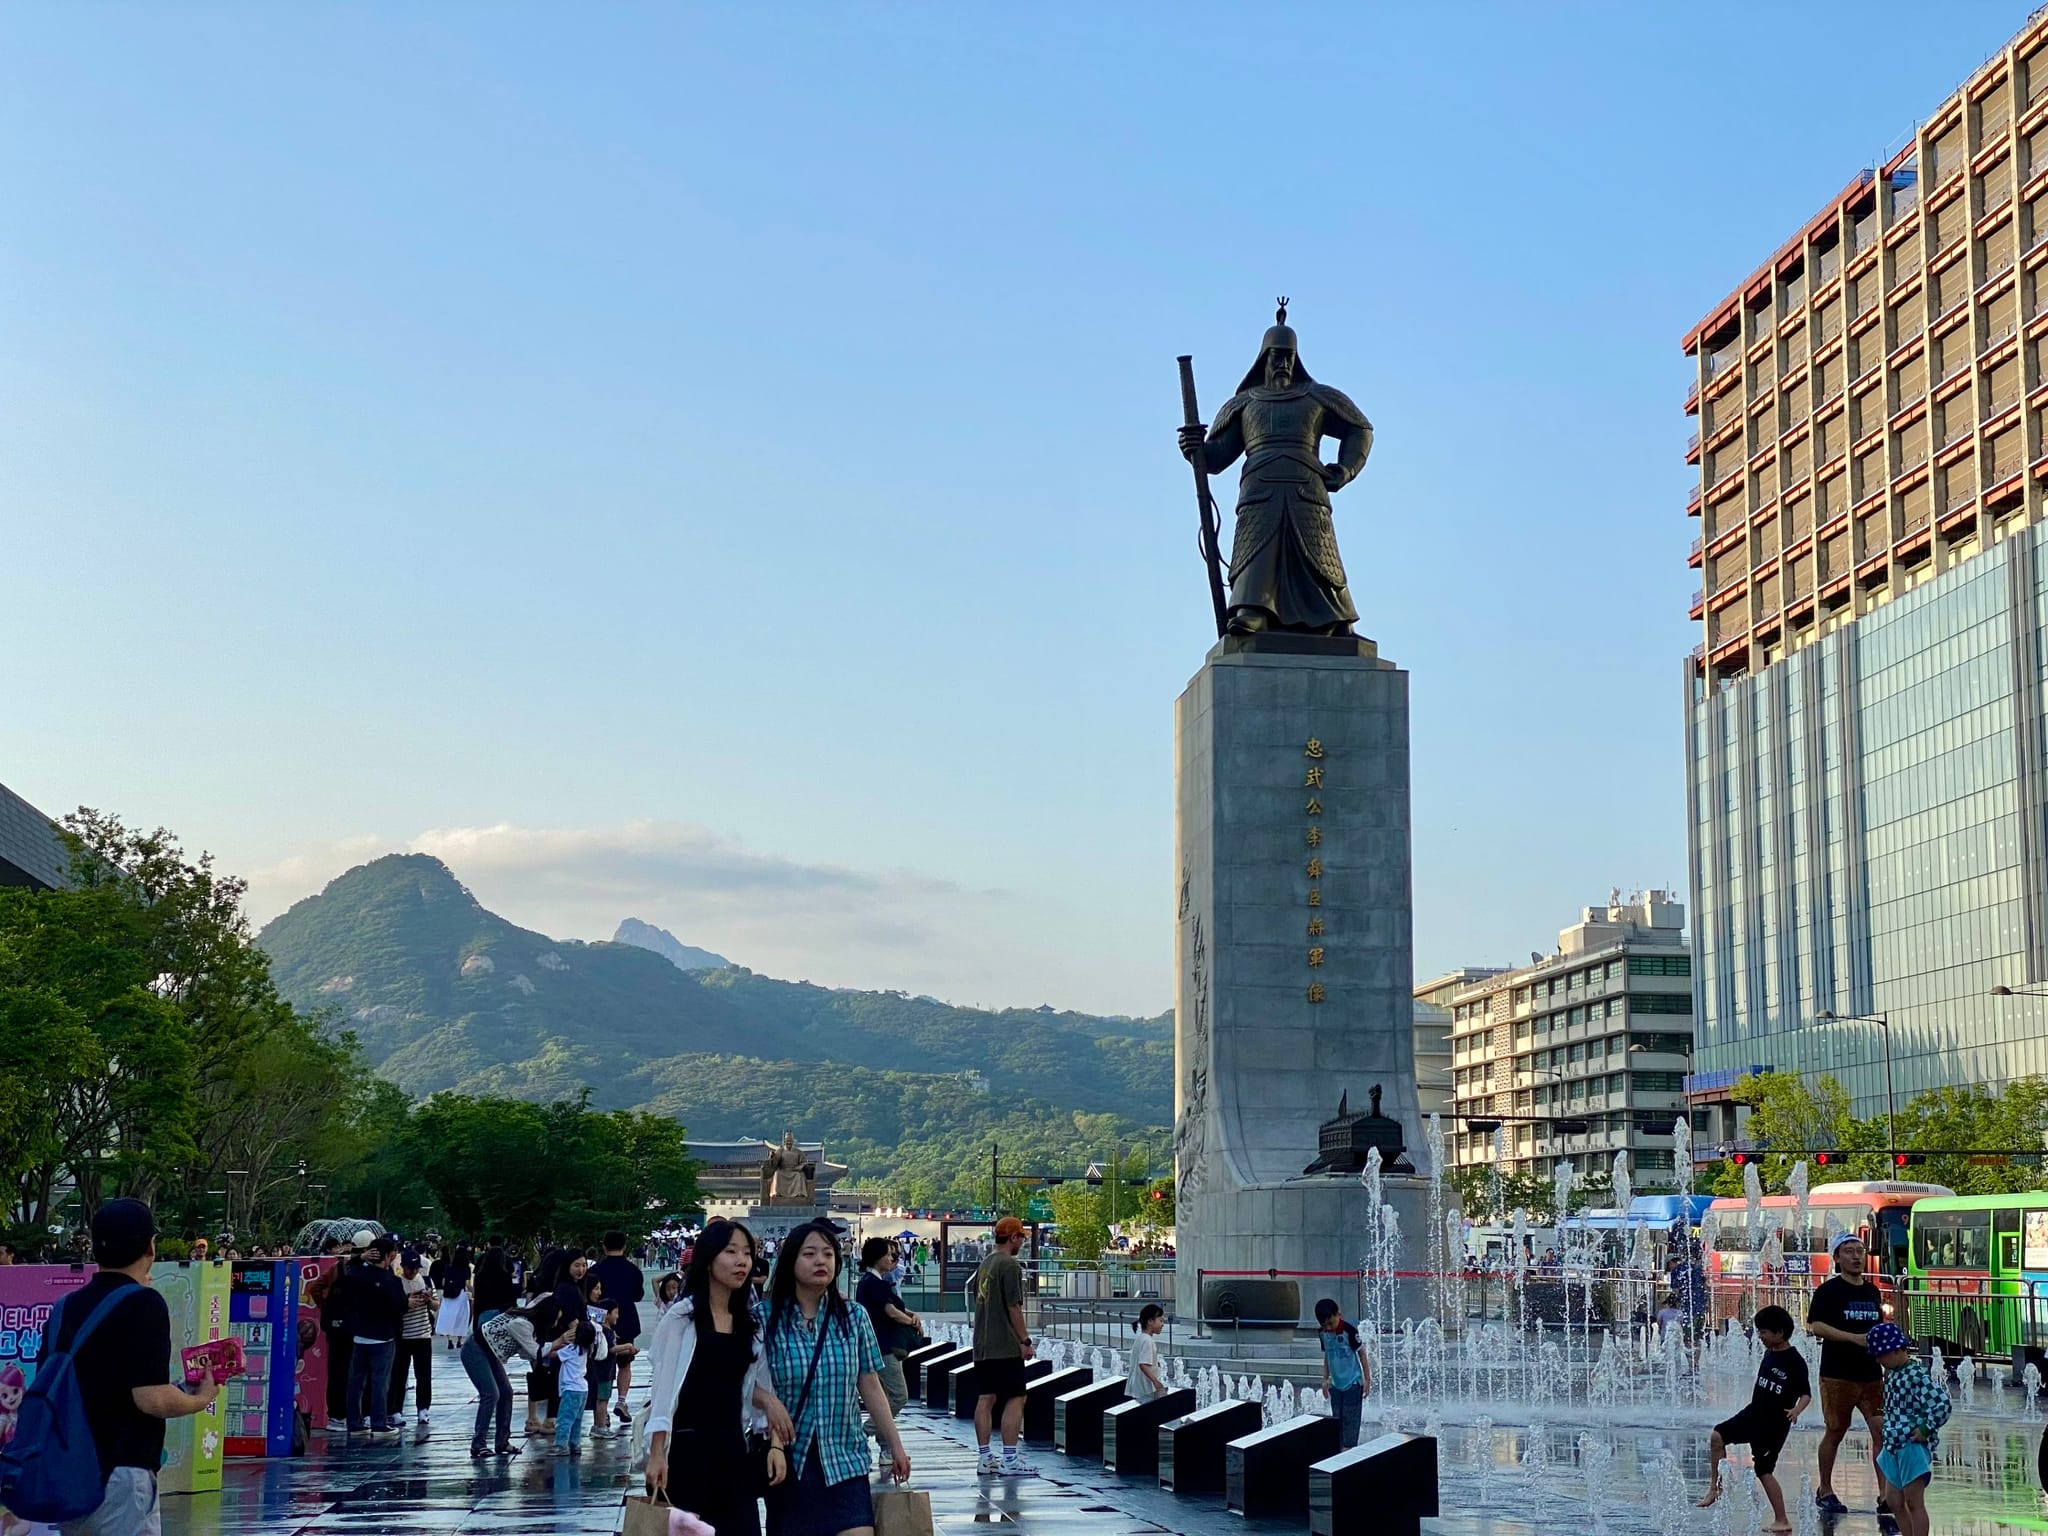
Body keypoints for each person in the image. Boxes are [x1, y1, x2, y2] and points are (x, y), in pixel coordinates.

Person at [22, 1200, 218, 1536]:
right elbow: (150, 1398)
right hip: (121, 1473)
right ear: (150, 1247)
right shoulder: (144, 1303)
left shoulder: (63, 1308)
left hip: (68, 1472)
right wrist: (200, 1399)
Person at [644, 1219, 790, 1536]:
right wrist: (656, 1454)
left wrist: (775, 1444)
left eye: (748, 1253)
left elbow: (760, 1385)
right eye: (731, 1251)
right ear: (709, 1259)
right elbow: (664, 1390)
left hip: (733, 1450)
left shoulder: (749, 1324)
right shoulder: (683, 1317)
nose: (742, 1261)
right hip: (686, 1450)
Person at [765, 1221, 908, 1536]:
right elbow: (752, 1385)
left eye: (828, 1254)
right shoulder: (766, 1319)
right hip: (791, 1460)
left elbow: (870, 1384)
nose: (821, 1261)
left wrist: (895, 1445)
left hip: (845, 1457)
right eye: (810, 1254)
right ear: (790, 1262)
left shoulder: (853, 1317)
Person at [1697, 1305, 1810, 1530]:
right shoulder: (1769, 1354)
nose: (1760, 1336)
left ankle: (1782, 1520)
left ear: (1779, 1332)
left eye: (1764, 1332)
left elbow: (1806, 1393)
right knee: (1717, 1436)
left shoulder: (1794, 1361)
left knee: (1764, 1470)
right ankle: (1716, 1486)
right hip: (1753, 1414)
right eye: (1759, 1331)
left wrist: (1796, 1410)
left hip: (1773, 1424)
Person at [1808, 1233, 1889, 1516]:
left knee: (1881, 1431)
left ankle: (1885, 1495)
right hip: (1837, 1374)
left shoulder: (1872, 1291)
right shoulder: (1828, 1291)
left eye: (1860, 1251)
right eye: (1849, 1251)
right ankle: (1825, 1489)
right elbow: (1815, 1326)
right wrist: (1852, 1338)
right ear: (1837, 1258)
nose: (1856, 1256)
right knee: (1835, 1431)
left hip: (1871, 1374)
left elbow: (1877, 1328)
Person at [1868, 1322, 1947, 1536]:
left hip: (1910, 1445)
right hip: (1893, 1443)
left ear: (1897, 1350)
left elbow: (1942, 1404)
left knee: (1913, 1501)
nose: (1878, 1360)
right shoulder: (1893, 1373)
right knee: (1894, 1501)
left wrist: (1926, 1428)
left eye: (1881, 1355)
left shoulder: (1915, 1375)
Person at [971, 1216, 1034, 1478]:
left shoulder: (986, 1263)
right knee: (1016, 1396)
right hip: (1004, 1345)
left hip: (982, 1344)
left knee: (986, 1398)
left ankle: (985, 1458)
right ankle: (1010, 1458)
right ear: (1012, 1238)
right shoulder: (1009, 1265)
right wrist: (1025, 1340)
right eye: (1021, 1237)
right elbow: (1013, 1306)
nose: (1022, 1242)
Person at [854, 1237, 919, 1471]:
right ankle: (864, 1432)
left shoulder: (875, 1282)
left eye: (895, 1254)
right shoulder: (874, 1283)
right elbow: (891, 1312)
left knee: (881, 1398)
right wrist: (912, 1322)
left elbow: (897, 1307)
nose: (894, 1258)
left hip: (876, 1347)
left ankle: (886, 1449)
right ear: (876, 1256)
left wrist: (911, 1315)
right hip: (883, 1349)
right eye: (889, 1254)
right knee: (898, 1396)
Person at [340, 1235, 406, 1441]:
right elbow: (401, 1306)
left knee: (355, 1382)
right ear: (388, 1256)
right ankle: (379, 1423)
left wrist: (360, 1258)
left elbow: (344, 1272)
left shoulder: (357, 1274)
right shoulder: (391, 1280)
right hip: (383, 1336)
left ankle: (355, 1423)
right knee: (380, 1382)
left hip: (359, 1335)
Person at [461, 1236, 520, 1460]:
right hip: (477, 1350)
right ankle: (479, 1443)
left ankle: (501, 1441)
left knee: (504, 1392)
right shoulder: (501, 1314)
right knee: (492, 1393)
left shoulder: (482, 1280)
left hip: (481, 1343)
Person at [590, 1232, 647, 1425]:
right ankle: (622, 1401)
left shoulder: (596, 1270)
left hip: (599, 1319)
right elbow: (638, 1295)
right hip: (626, 1318)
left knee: (599, 1364)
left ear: (604, 1246)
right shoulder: (632, 1270)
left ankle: (602, 1409)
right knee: (625, 1362)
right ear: (625, 1246)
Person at [540, 1318, 602, 1458]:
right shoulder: (587, 1349)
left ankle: (561, 1445)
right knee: (577, 1420)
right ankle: (575, 1444)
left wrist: (558, 1343)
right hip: (582, 1389)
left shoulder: (572, 1349)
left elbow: (553, 1354)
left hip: (570, 1389)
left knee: (564, 1419)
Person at [387, 1249, 435, 1426]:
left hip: (423, 1334)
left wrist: (429, 1300)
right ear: (402, 1266)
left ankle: (423, 1408)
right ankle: (395, 1410)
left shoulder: (426, 1281)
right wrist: (407, 1303)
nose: (413, 1272)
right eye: (409, 1268)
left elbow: (437, 1306)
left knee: (424, 1375)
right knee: (399, 1375)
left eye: (416, 1268)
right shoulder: (397, 1283)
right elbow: (393, 1308)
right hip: (404, 1336)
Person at [1315, 1298, 1370, 1450]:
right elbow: (1327, 1355)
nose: (1328, 1327)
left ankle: (1350, 1451)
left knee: (1350, 1419)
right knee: (1337, 1420)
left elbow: (1362, 1354)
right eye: (1324, 1325)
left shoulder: (1349, 1331)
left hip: (1353, 1383)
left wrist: (1367, 1379)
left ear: (1338, 1314)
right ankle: (1339, 1452)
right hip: (1336, 1384)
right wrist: (1325, 1379)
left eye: (1331, 1323)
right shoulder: (1323, 1334)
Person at [430, 1244, 472, 1350]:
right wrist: (473, 1292)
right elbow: (467, 1284)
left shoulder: (448, 1267)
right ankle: (459, 1341)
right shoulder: (466, 1268)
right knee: (461, 1318)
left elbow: (444, 1281)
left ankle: (449, 1340)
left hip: (448, 1295)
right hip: (461, 1295)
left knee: (448, 1317)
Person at [1127, 1304, 1167, 1403]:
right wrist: (1156, 1382)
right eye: (1161, 1321)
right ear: (1150, 1321)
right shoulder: (1147, 1341)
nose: (1163, 1324)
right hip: (1146, 1390)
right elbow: (1143, 1364)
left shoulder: (1141, 1338)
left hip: (1138, 1388)